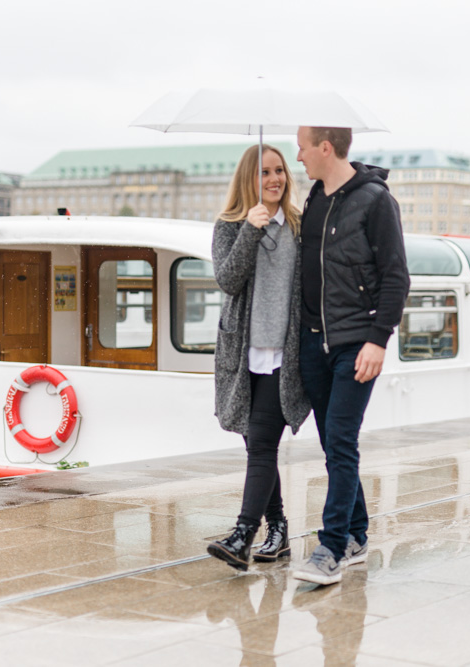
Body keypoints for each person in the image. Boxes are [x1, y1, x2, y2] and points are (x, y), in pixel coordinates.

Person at [291, 126, 409, 586]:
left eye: (302, 146)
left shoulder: (376, 201)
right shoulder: (314, 199)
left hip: (357, 343)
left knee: (341, 441)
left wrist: (379, 339)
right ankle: (357, 535)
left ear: (325, 147)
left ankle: (332, 548)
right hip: (314, 342)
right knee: (333, 444)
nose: (297, 155)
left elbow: (396, 276)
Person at [207, 144, 311, 571]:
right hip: (242, 356)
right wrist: (250, 229)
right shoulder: (229, 225)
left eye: (280, 171)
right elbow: (227, 280)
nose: (274, 179)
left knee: (263, 444)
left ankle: (242, 535)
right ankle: (280, 529)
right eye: (265, 173)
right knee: (257, 446)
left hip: (284, 357)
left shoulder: (299, 226)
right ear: (249, 179)